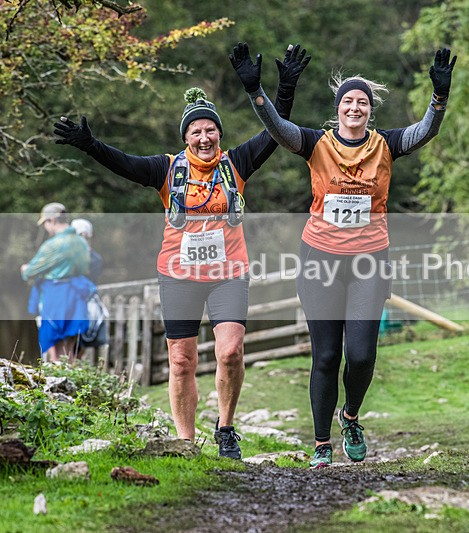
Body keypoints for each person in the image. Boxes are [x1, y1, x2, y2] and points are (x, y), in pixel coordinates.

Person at [53, 46, 311, 459]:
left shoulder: (237, 164)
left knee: (230, 351)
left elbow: (276, 133)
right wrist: (90, 145)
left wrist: (284, 91)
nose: (205, 137)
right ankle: (186, 442)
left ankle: (225, 429)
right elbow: (123, 163)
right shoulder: (167, 169)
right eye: (197, 132)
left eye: (211, 130)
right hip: (179, 274)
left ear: (219, 136)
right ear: (186, 137)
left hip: (228, 271)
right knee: (181, 362)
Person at [229, 42, 456, 468]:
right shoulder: (315, 143)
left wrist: (438, 99)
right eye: (349, 101)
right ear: (338, 109)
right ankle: (320, 445)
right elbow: (278, 130)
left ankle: (350, 416)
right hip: (320, 260)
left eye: (362, 102)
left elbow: (426, 130)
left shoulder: (386, 145)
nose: (356, 107)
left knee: (363, 354)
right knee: (327, 355)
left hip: (369, 261)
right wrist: (256, 92)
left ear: (371, 111)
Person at [21, 202, 93, 363]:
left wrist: (25, 269)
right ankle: (72, 381)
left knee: (54, 346)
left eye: (45, 223)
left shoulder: (53, 245)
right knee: (70, 346)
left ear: (52, 220)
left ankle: (58, 383)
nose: (46, 227)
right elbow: (85, 267)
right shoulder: (81, 242)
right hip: (76, 295)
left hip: (56, 297)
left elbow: (31, 272)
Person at [71, 218, 110, 361]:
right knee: (76, 346)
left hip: (79, 304)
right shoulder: (95, 258)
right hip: (85, 304)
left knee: (73, 345)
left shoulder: (88, 258)